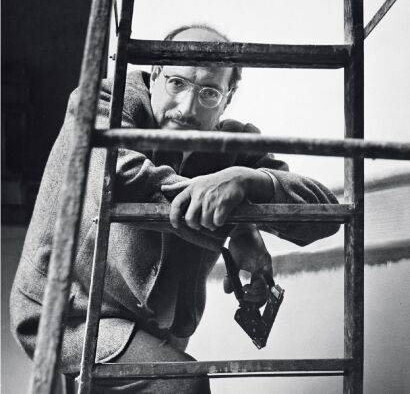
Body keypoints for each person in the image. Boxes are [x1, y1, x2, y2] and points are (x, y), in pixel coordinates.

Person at [10, 25, 340, 393]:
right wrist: (238, 221)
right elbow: (120, 178)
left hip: (160, 329)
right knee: (186, 384)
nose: (187, 109)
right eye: (177, 83)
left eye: (209, 93)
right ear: (155, 75)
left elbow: (324, 216)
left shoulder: (236, 145)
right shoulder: (102, 103)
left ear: (228, 98)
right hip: (68, 314)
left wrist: (249, 182)